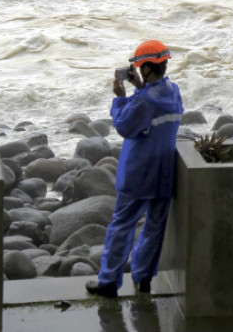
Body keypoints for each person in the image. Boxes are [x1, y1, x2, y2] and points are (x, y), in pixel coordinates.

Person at [86, 40, 184, 298]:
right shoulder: (173, 91)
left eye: (141, 69)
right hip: (164, 173)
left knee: (122, 226)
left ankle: (108, 281)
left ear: (149, 68)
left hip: (139, 173)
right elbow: (155, 104)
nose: (139, 72)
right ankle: (143, 279)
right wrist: (140, 87)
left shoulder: (143, 102)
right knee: (154, 227)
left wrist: (120, 100)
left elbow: (126, 126)